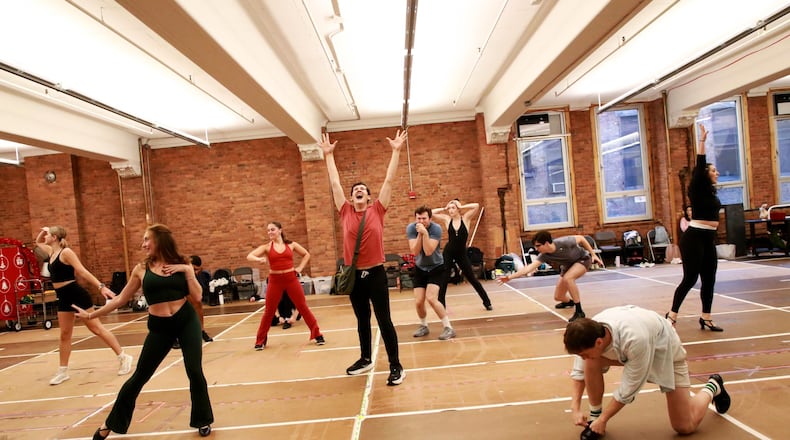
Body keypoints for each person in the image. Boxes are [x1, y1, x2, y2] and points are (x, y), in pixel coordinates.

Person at [72, 224, 213, 438]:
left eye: (147, 239)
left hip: (186, 321)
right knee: (140, 376)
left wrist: (186, 271)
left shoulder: (182, 263)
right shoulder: (141, 268)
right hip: (159, 327)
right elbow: (120, 299)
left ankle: (203, 420)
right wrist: (92, 315)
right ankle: (110, 424)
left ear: (160, 240)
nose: (143, 244)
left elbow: (198, 296)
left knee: (194, 370)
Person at [319, 129, 407, 386]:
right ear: (351, 196)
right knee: (362, 320)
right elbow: (335, 184)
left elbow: (389, 181)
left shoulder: (377, 210)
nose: (358, 190)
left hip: (376, 274)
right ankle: (366, 358)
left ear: (368, 197)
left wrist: (396, 151)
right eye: (355, 189)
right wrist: (328, 157)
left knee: (384, 320)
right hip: (355, 276)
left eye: (362, 189)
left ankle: (396, 366)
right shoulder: (345, 210)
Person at [564, 305, 731, 438]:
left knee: (684, 426)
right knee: (591, 361)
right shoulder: (590, 331)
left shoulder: (636, 339)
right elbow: (579, 371)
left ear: (599, 342)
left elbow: (629, 388)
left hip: (665, 352)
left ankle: (713, 386)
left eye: (583, 354)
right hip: (630, 351)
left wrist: (604, 420)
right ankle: (594, 416)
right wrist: (575, 408)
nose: (582, 358)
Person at [35, 226, 133, 386]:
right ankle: (63, 371)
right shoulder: (50, 251)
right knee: (64, 334)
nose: (45, 237)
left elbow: (82, 271)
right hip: (63, 297)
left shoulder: (65, 253)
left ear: (54, 237)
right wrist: (43, 230)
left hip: (76, 294)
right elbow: (37, 242)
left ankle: (123, 357)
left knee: (96, 328)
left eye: (48, 235)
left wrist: (101, 287)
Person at [666, 124, 723, 332]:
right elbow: (699, 167)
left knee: (710, 278)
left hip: (709, 238)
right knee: (690, 278)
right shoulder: (698, 186)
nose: (717, 173)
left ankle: (706, 317)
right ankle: (672, 315)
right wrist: (702, 141)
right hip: (694, 237)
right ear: (705, 175)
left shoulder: (710, 192)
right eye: (713, 170)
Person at [246, 222, 325, 350]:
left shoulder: (291, 244)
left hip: (291, 279)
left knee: (303, 307)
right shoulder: (266, 247)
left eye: (272, 229)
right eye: (268, 230)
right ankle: (260, 340)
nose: (270, 232)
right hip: (275, 281)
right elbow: (249, 256)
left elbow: (306, 254)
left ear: (280, 230)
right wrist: (258, 260)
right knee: (269, 311)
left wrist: (299, 268)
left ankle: (317, 334)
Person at [497, 230, 602, 322]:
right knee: (558, 297)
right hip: (567, 266)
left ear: (546, 243)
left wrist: (593, 254)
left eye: (538, 246)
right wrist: (509, 278)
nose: (537, 249)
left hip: (582, 259)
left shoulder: (564, 242)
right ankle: (570, 302)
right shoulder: (544, 255)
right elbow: (528, 269)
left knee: (568, 278)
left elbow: (582, 238)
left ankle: (579, 311)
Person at [432, 199, 492, 310]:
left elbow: (476, 205)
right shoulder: (447, 219)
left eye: (453, 208)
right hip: (449, 252)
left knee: (472, 278)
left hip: (461, 253)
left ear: (458, 209)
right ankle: (441, 305)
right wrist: (444, 208)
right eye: (449, 208)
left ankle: (487, 302)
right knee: (444, 278)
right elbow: (432, 212)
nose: (450, 210)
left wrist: (461, 206)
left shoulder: (465, 219)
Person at [407, 205, 456, 341]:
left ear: (430, 218)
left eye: (424, 218)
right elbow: (415, 252)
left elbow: (428, 251)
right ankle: (424, 326)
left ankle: (448, 327)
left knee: (432, 298)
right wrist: (420, 234)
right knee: (418, 301)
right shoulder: (411, 228)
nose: (421, 221)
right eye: (419, 218)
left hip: (436, 267)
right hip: (420, 268)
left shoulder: (436, 229)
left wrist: (426, 233)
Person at [188, 256, 213, 342]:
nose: (196, 272)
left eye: (197, 269)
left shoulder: (198, 275)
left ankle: (201, 330)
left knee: (198, 304)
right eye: (194, 269)